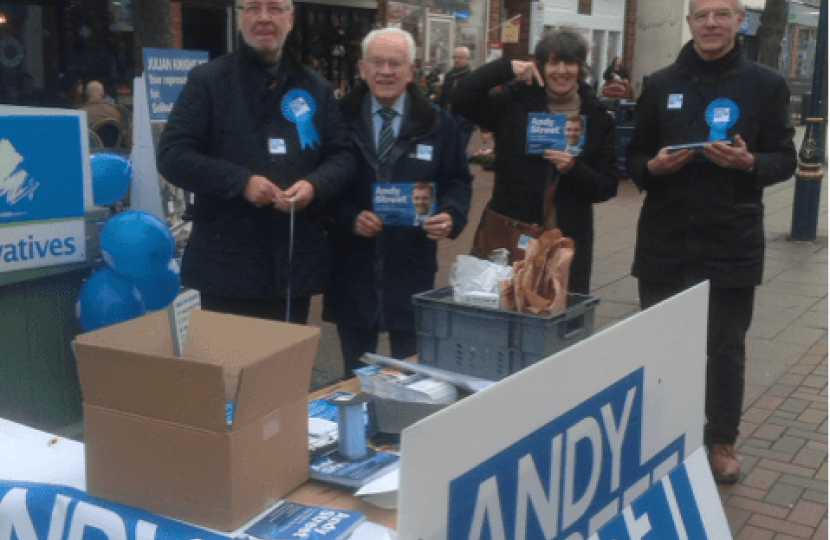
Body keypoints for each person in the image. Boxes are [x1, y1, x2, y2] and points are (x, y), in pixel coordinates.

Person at [625, 0, 797, 483]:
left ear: (741, 20)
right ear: (690, 21)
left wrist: (750, 164)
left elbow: (784, 157)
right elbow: (634, 156)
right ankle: (661, 435)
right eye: (702, 15)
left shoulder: (765, 85)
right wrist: (651, 168)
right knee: (659, 346)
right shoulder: (660, 85)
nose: (712, 24)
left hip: (731, 238)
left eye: (723, 14)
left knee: (725, 349)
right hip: (665, 238)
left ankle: (721, 439)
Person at [157, 0, 356, 324]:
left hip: (291, 268)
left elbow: (342, 155)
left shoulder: (314, 87)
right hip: (227, 267)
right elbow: (172, 155)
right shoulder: (207, 81)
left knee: (283, 369)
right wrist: (241, 182)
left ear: (290, 19)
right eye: (252, 8)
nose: (264, 17)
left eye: (275, 8)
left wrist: (314, 185)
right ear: (238, 18)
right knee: (231, 372)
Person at [325, 27, 472, 374]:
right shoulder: (337, 119)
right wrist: (348, 217)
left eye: (395, 63)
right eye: (377, 62)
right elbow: (324, 186)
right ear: (362, 67)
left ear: (412, 69)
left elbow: (457, 182)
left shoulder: (439, 124)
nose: (386, 71)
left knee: (411, 377)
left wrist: (451, 215)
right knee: (356, 377)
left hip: (411, 266)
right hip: (352, 268)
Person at [451, 28, 619, 294]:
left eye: (570, 63)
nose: (561, 71)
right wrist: (506, 67)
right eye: (554, 62)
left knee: (562, 319)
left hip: (566, 240)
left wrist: (574, 169)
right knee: (507, 314)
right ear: (541, 65)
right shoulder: (514, 102)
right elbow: (461, 98)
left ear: (581, 67)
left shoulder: (598, 118)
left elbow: (608, 185)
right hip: (512, 232)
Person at [436, 46, 476, 149]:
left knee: (459, 150)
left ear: (468, 59)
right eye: (455, 57)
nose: (456, 60)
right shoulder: (449, 76)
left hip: (463, 122)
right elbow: (443, 97)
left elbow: (478, 100)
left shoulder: (472, 77)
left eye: (460, 57)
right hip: (448, 119)